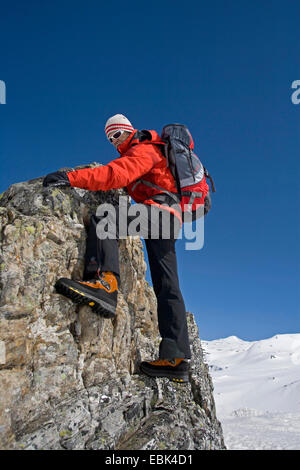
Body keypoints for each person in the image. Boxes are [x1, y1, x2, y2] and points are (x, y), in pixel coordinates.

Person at [43, 114, 191, 383]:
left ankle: (106, 283)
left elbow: (116, 174)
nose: (114, 141)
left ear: (128, 131)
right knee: (166, 285)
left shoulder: (144, 148)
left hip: (160, 214)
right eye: (110, 138)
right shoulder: (152, 151)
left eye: (117, 134)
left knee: (104, 217)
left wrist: (72, 177)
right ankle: (176, 357)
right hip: (170, 219)